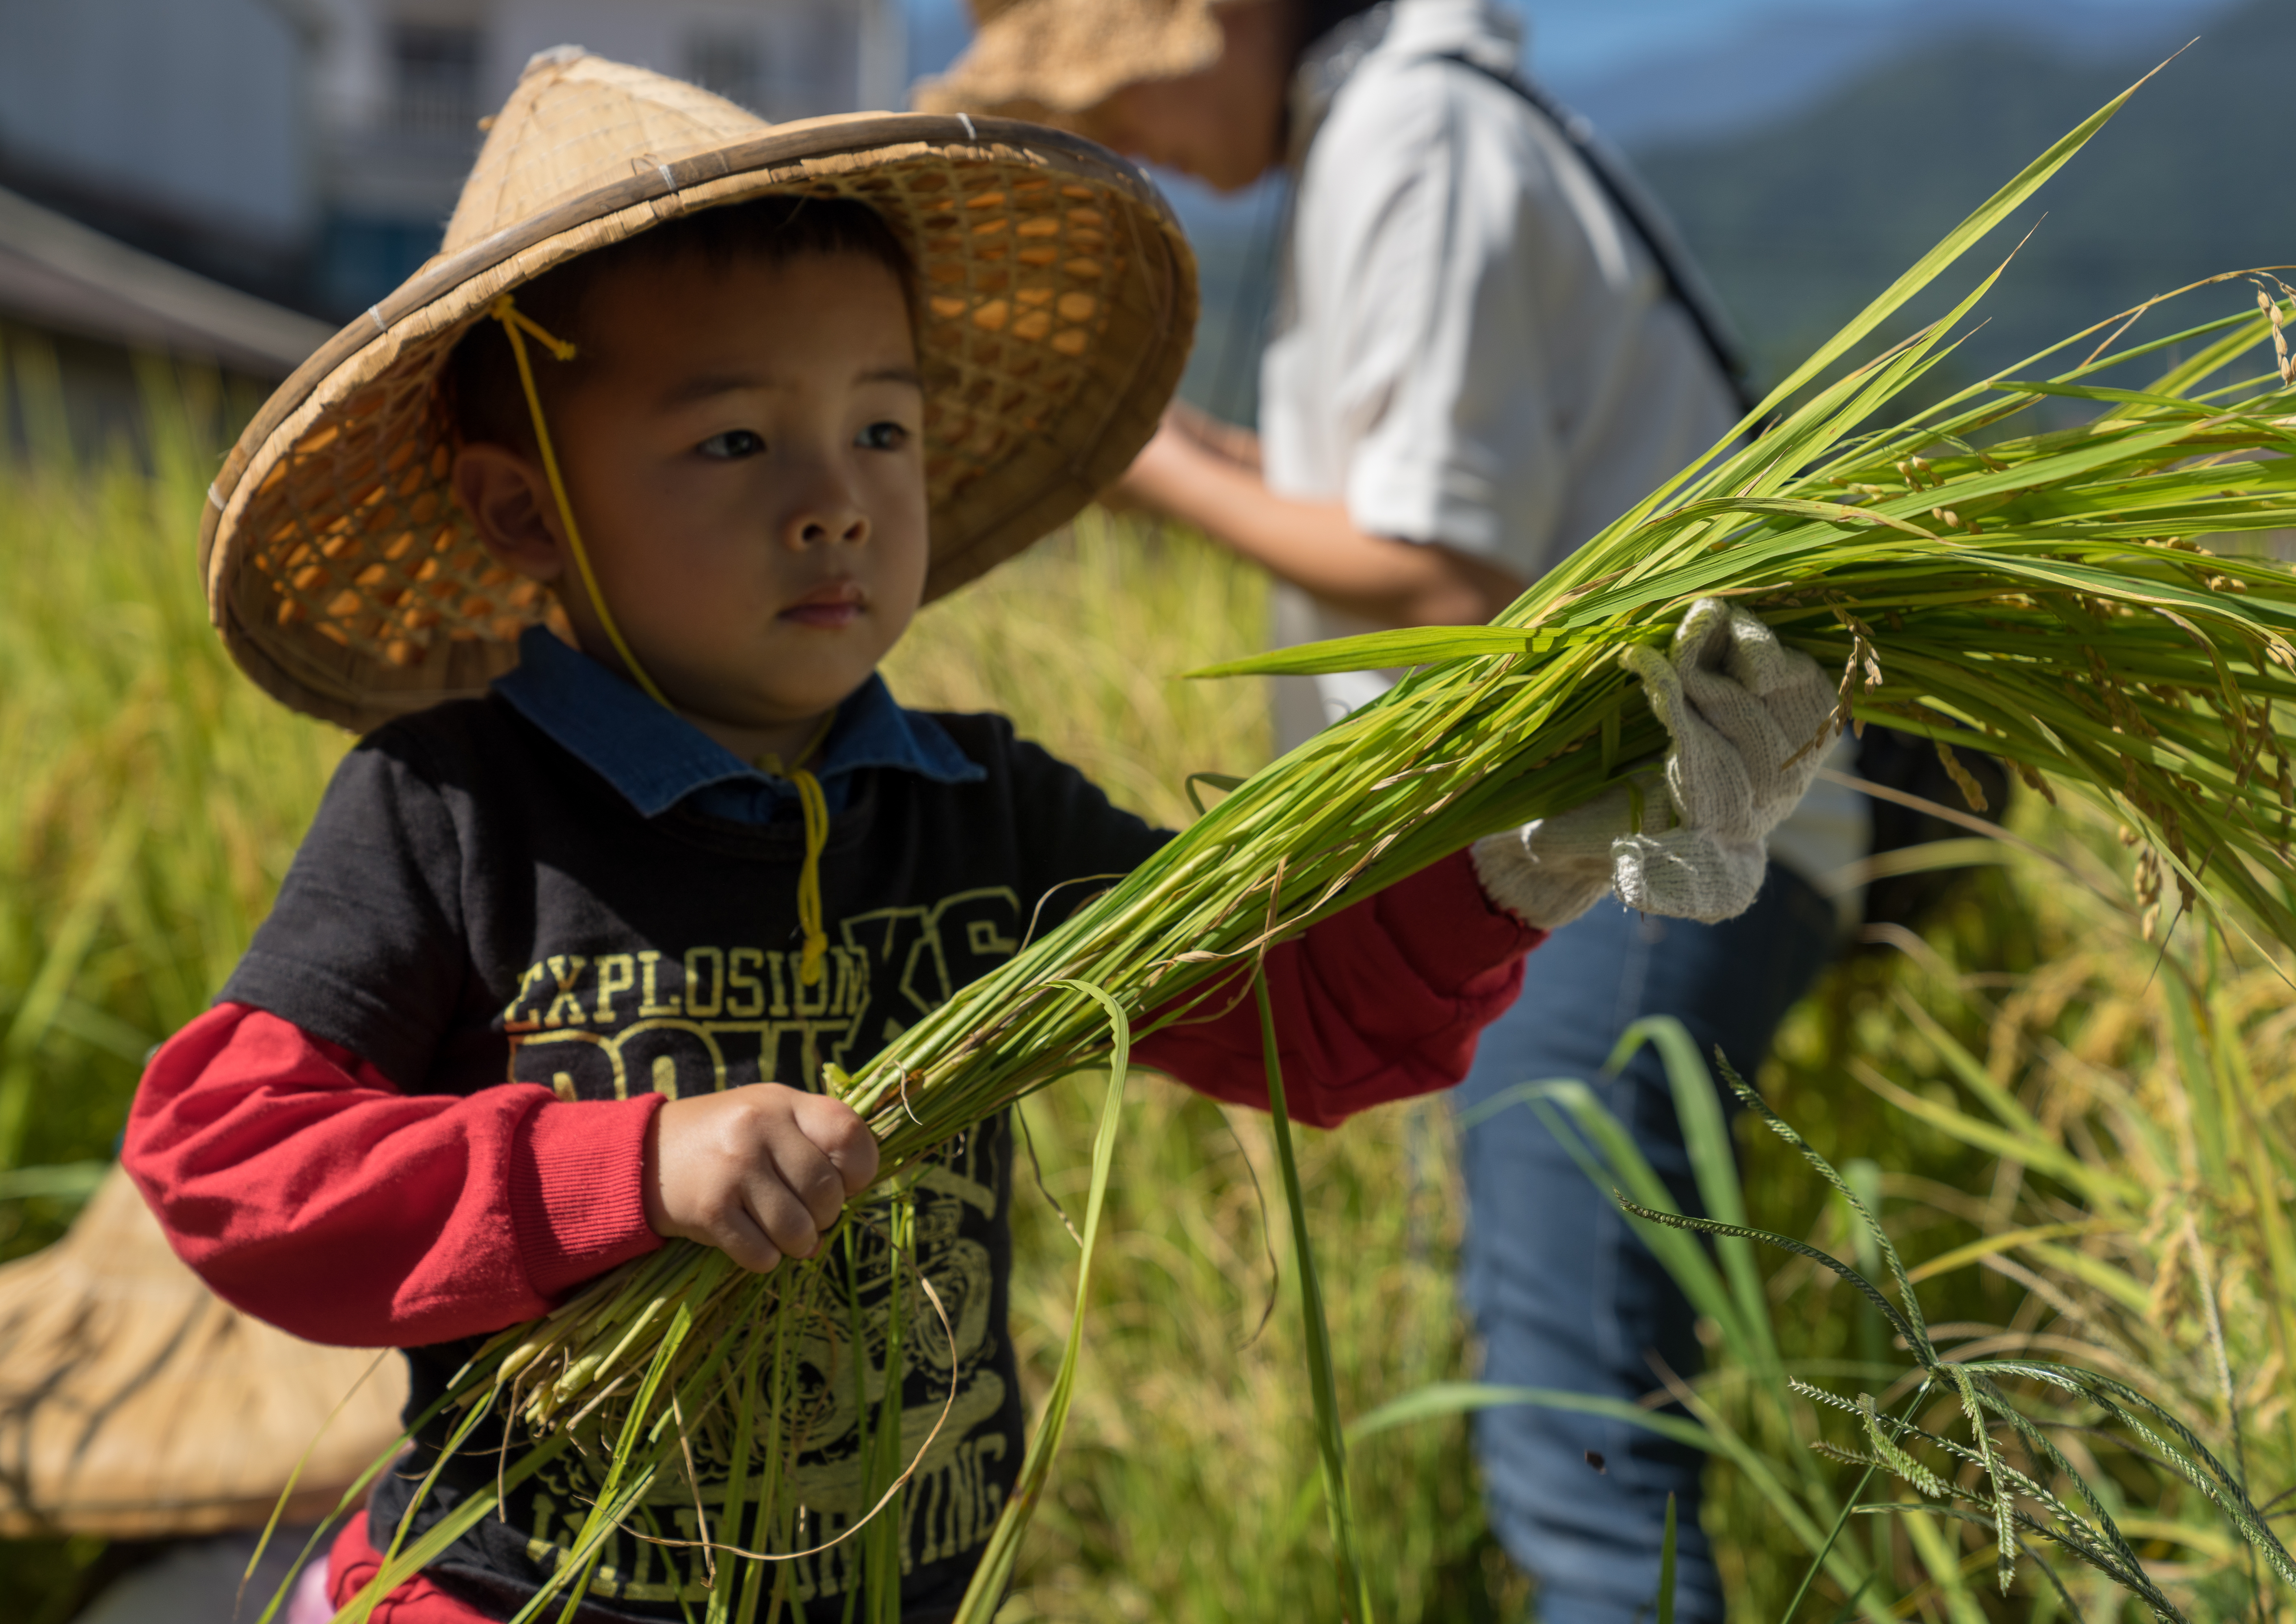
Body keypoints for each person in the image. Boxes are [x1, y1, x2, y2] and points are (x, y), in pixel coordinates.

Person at [121, 46, 1836, 1624]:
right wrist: (626, 1166)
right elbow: (225, 1155)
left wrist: (1527, 849)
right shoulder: (459, 807)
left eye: (883, 426)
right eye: (734, 438)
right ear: (526, 511)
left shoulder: (978, 814)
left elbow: (1293, 1013)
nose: (836, 495)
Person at [923, 2, 1871, 1618]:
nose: (1137, 145)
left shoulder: (1413, 136)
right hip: (1577, 850)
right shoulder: (1394, 128)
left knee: (1577, 1436)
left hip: (1639, 840)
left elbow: (1443, 571)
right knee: (1555, 1387)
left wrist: (1133, 454)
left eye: (1127, 98)